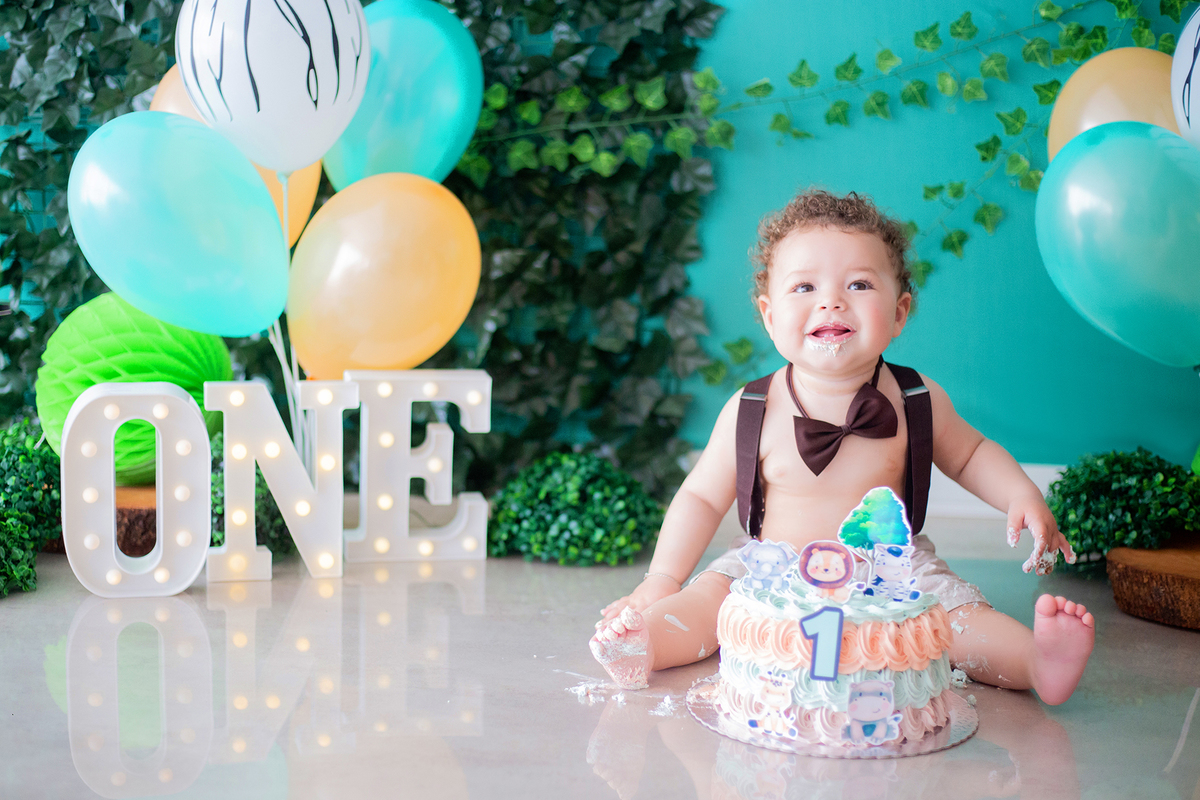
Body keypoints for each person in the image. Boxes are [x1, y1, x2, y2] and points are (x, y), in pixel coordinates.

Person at [589, 188, 1095, 705]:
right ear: (768, 315)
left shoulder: (915, 397)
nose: (830, 301)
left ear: (899, 313)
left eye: (858, 283)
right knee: (709, 602)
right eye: (804, 286)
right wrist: (662, 578)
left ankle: (1037, 660)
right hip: (771, 565)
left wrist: (1021, 496)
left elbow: (970, 454)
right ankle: (645, 643)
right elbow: (699, 498)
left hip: (889, 567)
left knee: (955, 620)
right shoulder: (752, 407)